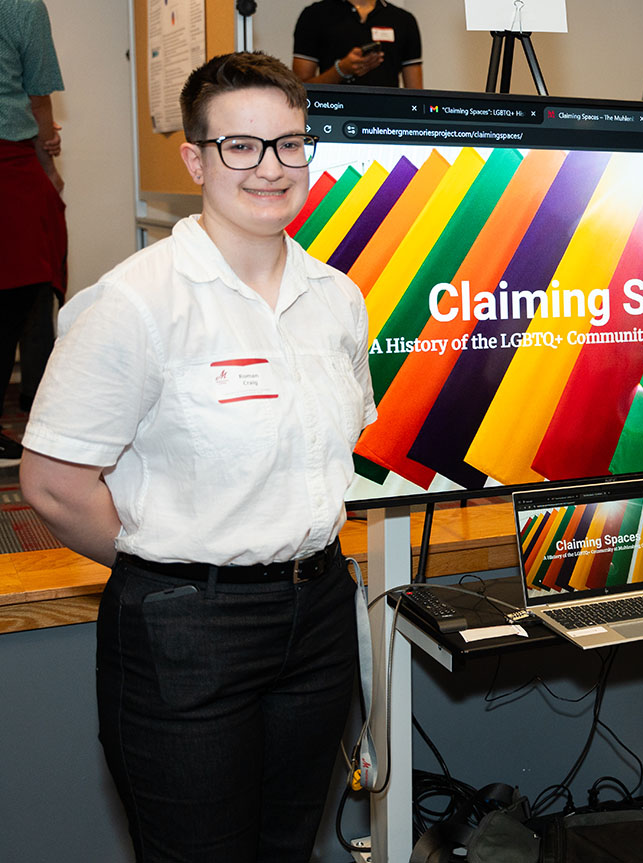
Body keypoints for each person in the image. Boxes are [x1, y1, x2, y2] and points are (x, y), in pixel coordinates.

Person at [20, 52, 375, 862]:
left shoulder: (337, 298)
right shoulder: (135, 302)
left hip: (318, 618)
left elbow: (333, 449)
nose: (270, 168)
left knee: (288, 846)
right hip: (186, 632)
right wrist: (167, 565)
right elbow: (53, 484)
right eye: (240, 146)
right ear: (196, 159)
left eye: (289, 144)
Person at [0, 0, 66, 466]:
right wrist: (48, 161)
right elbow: (38, 96)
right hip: (7, 164)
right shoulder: (20, 5)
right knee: (15, 294)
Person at [293, 0, 422, 88]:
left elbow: (415, 95)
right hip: (334, 113)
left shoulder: (403, 20)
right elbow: (300, 89)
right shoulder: (314, 15)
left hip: (387, 116)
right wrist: (341, 70)